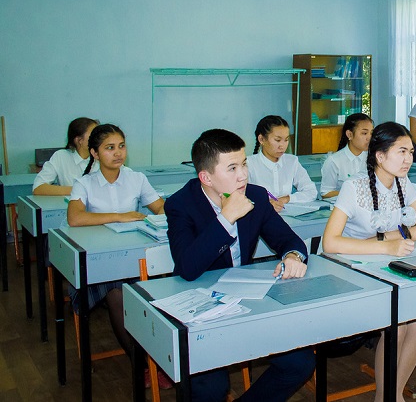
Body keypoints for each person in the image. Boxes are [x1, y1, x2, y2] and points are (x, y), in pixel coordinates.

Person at [166, 128, 314, 402]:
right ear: (206, 177)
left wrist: (293, 256)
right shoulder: (181, 204)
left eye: (244, 164)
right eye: (232, 168)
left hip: (245, 303)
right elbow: (187, 268)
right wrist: (225, 219)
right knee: (211, 388)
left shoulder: (256, 196)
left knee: (300, 363)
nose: (243, 175)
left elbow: (289, 240)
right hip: (200, 309)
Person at [322, 122, 416, 402]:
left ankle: (392, 394)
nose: (409, 159)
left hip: (389, 266)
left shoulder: (403, 183)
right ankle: (386, 396)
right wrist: (384, 246)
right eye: (401, 151)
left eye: (410, 152)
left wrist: (393, 236)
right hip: (354, 270)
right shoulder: (354, 187)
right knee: (399, 325)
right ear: (380, 156)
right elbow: (330, 243)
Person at [67, 124, 165, 376]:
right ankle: (142, 365)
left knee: (153, 290)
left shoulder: (136, 178)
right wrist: (120, 216)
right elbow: (75, 218)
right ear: (95, 153)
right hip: (101, 261)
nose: (118, 152)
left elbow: (160, 208)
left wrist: (164, 215)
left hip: (135, 255)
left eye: (121, 146)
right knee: (117, 294)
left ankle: (158, 361)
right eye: (109, 148)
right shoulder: (84, 183)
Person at [247, 115, 317, 212]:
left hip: (287, 216)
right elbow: (238, 198)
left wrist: (286, 199)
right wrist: (264, 203)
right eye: (277, 140)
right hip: (259, 217)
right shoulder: (248, 164)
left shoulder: (291, 161)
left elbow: (311, 191)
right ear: (261, 139)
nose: (282, 146)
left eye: (286, 140)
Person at [32, 117, 99, 195]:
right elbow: (38, 188)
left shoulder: (104, 156)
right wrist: (77, 190)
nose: (100, 138)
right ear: (79, 140)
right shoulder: (61, 156)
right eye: (94, 134)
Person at [319, 113, 373, 198]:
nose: (369, 138)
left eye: (371, 133)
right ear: (349, 134)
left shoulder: (373, 158)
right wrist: (353, 193)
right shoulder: (334, 161)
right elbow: (325, 193)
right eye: (364, 133)